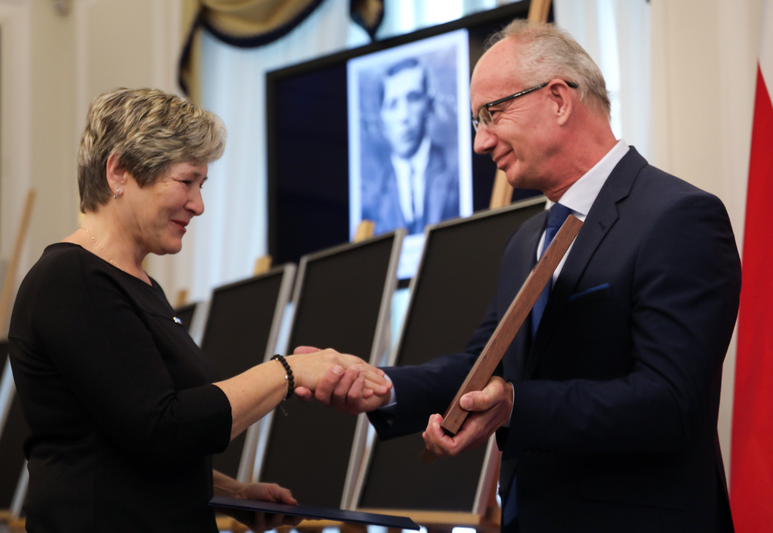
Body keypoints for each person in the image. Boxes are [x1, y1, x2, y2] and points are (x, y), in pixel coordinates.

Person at [305, 21, 741, 532]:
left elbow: (668, 404)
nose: (480, 143)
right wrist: (383, 386)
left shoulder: (679, 217)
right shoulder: (525, 240)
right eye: (475, 122)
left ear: (558, 99)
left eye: (491, 113)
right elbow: (483, 365)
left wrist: (514, 405)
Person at [7, 88, 390, 533]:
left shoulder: (135, 286)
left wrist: (234, 494)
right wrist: (291, 371)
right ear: (119, 172)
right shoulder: (73, 279)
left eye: (201, 186)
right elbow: (163, 429)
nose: (198, 205)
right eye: (186, 181)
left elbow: (129, 445)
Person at [361, 57, 459, 235]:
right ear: (381, 117)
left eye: (413, 98)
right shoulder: (371, 197)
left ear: (428, 104)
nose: (404, 116)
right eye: (392, 105)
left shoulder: (456, 172)